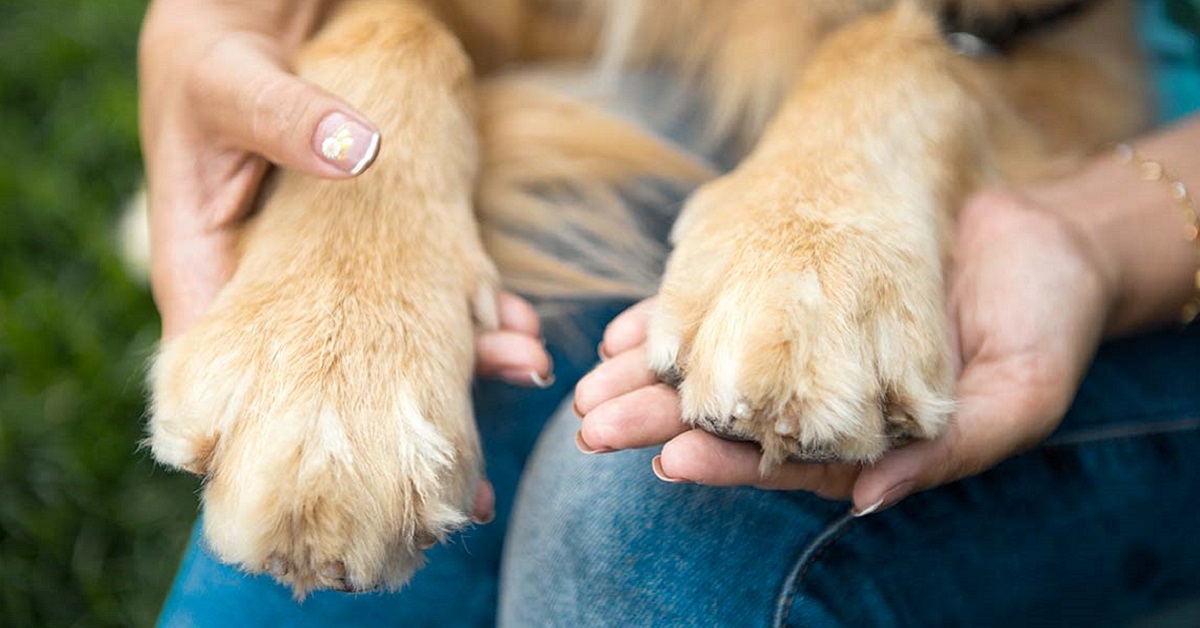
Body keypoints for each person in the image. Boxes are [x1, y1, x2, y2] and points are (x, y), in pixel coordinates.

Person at [142, 0, 1200, 625]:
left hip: (1135, 174)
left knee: (649, 513)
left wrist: (1086, 236)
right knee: (321, 540)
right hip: (674, 86)